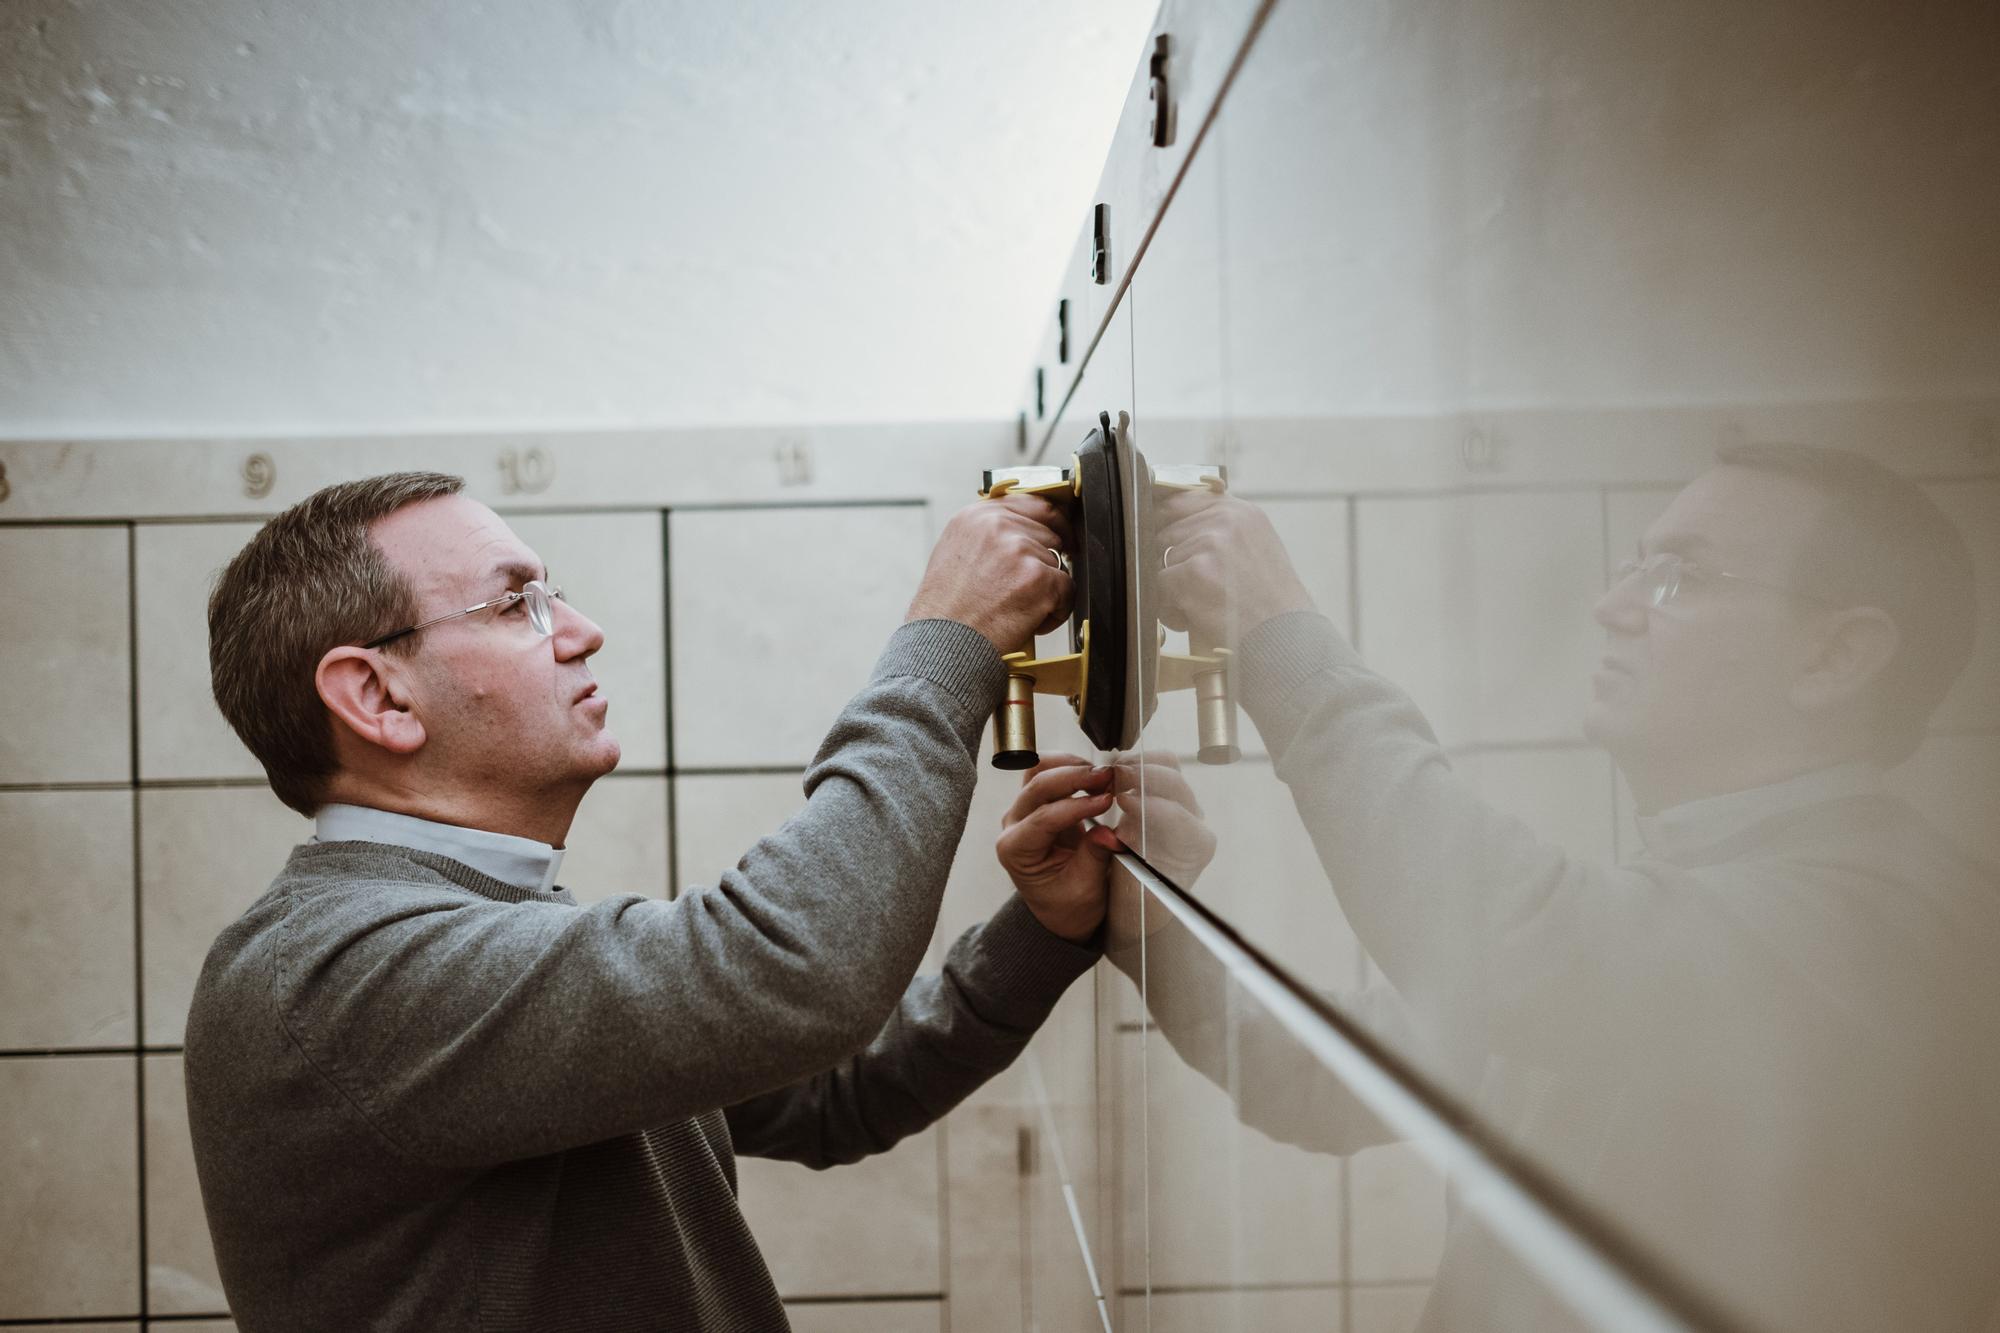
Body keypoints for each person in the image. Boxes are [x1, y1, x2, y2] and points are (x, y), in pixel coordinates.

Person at [185, 471, 1125, 1333]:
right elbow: (796, 973)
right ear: (379, 695)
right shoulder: (336, 972)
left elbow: (841, 1093)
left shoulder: (478, 927)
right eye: (518, 601)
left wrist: (1042, 926)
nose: (581, 629)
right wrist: (948, 641)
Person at [1143, 445, 2000, 1331]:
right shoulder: (1675, 908)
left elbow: (1518, 947)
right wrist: (1147, 926)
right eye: (1636, 564)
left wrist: (1277, 633)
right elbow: (1315, 1075)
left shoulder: (1892, 921)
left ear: (1836, 654)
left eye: (1682, 575)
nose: (1611, 606)